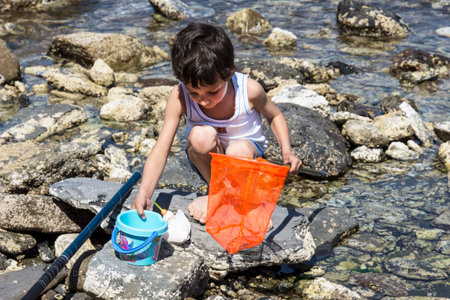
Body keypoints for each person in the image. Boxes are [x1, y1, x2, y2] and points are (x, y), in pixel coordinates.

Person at [132, 22, 302, 223]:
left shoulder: (248, 90)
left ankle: (221, 196)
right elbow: (162, 147)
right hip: (209, 162)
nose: (203, 100)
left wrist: (287, 151)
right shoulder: (178, 97)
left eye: (212, 92)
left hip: (246, 160)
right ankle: (221, 193)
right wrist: (145, 191)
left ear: (230, 72)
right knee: (200, 136)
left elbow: (275, 116)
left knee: (238, 149)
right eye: (194, 93)